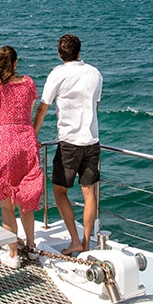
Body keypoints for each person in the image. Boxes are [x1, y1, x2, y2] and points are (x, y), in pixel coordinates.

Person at [33, 33, 103, 255]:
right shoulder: (95, 73)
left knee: (59, 191)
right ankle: (85, 241)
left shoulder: (57, 75)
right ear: (79, 52)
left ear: (59, 54)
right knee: (89, 192)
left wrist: (33, 135)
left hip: (69, 143)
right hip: (92, 140)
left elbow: (43, 106)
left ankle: (74, 240)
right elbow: (96, 106)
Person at [0, 46, 43, 268]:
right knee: (25, 200)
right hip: (27, 141)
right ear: (15, 63)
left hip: (5, 142)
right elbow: (31, 111)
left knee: (7, 204)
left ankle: (13, 254)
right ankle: (32, 248)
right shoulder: (29, 83)